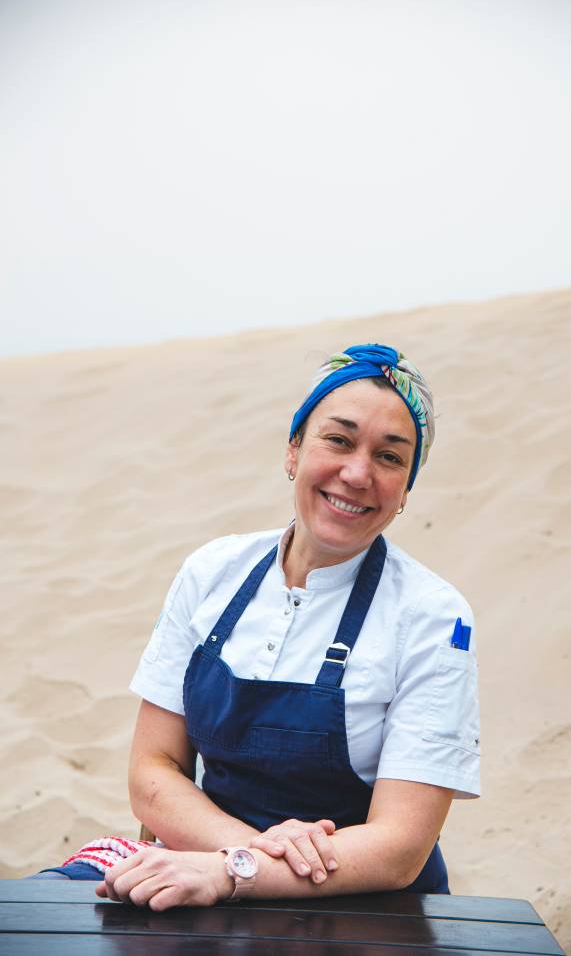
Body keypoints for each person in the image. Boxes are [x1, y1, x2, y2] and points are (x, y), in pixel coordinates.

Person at [39, 343, 480, 909]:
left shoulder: (434, 617)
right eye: (338, 440)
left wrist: (234, 873)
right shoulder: (211, 572)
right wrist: (244, 855)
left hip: (359, 908)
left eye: (390, 458)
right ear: (293, 451)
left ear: (406, 489)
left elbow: (399, 848)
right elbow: (153, 772)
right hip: (195, 869)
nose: (357, 473)